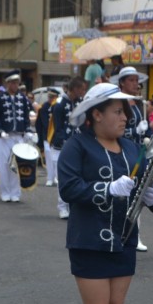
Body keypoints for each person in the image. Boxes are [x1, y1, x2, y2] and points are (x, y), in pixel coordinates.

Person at [58, 83, 153, 304]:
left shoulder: (132, 148)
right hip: (88, 240)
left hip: (125, 238)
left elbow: (145, 185)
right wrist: (107, 188)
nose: (124, 117)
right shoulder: (77, 146)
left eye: (125, 111)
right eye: (117, 111)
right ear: (96, 114)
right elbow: (69, 188)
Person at [116, 66, 150, 251]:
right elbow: (115, 129)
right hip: (122, 153)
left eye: (137, 80)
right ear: (122, 82)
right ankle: (118, 231)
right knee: (123, 193)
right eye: (131, 80)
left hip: (138, 153)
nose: (135, 84)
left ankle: (134, 235)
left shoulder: (139, 104)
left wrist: (147, 132)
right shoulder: (118, 103)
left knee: (138, 194)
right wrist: (133, 131)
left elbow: (144, 130)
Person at [0, 73, 37, 203]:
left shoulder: (22, 98)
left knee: (16, 165)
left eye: (17, 83)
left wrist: (28, 130)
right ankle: (5, 192)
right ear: (7, 83)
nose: (15, 85)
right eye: (12, 83)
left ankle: (16, 192)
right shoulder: (0, 98)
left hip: (18, 137)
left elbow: (27, 117)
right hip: (4, 137)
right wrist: (0, 131)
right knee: (4, 165)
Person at [54, 76, 87, 220]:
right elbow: (58, 126)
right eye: (83, 89)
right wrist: (63, 141)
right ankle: (62, 206)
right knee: (63, 177)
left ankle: (73, 205)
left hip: (78, 144)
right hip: (63, 145)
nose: (84, 92)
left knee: (78, 175)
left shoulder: (81, 103)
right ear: (75, 89)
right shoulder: (60, 103)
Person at [35, 87, 60, 187]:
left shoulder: (59, 106)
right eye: (49, 97)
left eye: (53, 97)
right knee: (49, 158)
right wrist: (40, 138)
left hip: (56, 136)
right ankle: (50, 177)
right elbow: (40, 124)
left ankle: (57, 177)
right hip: (47, 136)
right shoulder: (44, 107)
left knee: (57, 159)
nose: (51, 99)